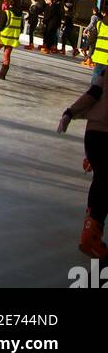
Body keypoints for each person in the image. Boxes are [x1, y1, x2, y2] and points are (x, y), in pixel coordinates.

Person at [58, 67, 108, 259]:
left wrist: (70, 113)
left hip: (94, 137)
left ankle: (91, 228)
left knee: (101, 179)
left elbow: (92, 94)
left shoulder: (105, 73)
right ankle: (92, 233)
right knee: (105, 181)